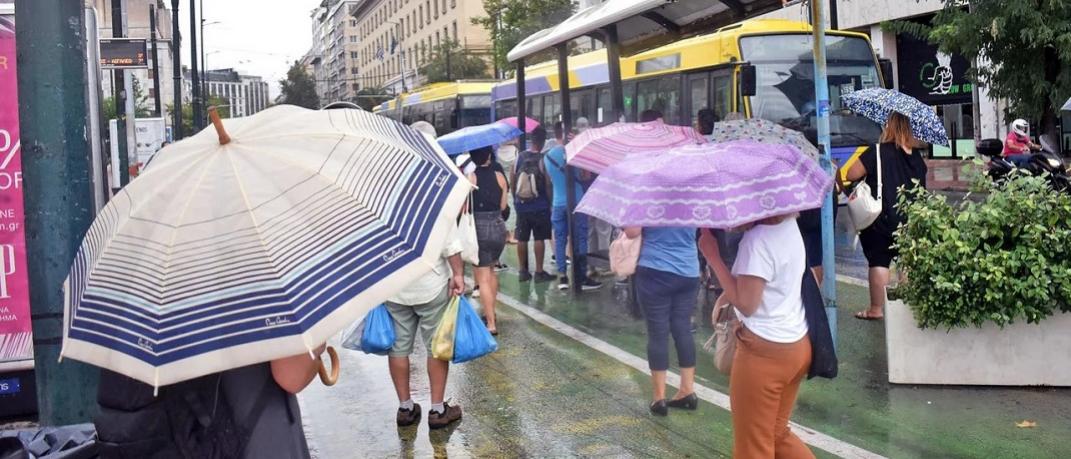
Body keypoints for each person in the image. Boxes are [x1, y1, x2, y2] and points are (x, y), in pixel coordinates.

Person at [698, 215, 815, 459]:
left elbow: (747, 304)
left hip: (764, 353)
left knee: (752, 448)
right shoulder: (788, 225)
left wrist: (713, 257)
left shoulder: (757, 241)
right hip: (797, 343)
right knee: (776, 434)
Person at [95, 348, 327, 458]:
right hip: (249, 429)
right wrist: (315, 345)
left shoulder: (130, 271)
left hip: (165, 435)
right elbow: (291, 375)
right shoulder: (257, 263)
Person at [841, 112, 927, 320]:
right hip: (910, 216)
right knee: (906, 259)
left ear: (889, 126)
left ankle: (876, 309)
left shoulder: (877, 152)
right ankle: (907, 305)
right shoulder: (916, 157)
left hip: (882, 216)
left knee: (879, 260)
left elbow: (851, 174)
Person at [385, 218, 467, 430]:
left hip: (394, 288)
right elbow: (451, 246)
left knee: (398, 349)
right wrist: (458, 274)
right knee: (436, 347)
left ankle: (405, 408)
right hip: (431, 286)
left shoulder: (382, 207)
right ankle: (438, 410)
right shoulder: (432, 203)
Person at [623, 226, 700, 416]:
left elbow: (632, 231)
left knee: (658, 333)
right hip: (689, 270)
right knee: (682, 328)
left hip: (655, 268)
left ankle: (659, 398)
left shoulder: (649, 196)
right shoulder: (694, 197)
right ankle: (687, 390)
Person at [544, 122, 603, 292]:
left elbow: (550, 181)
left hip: (557, 203)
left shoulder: (547, 157)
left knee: (561, 240)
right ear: (569, 134)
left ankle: (563, 277)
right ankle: (581, 276)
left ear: (555, 134)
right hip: (577, 201)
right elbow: (586, 176)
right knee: (580, 239)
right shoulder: (576, 152)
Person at [468, 146, 509, 334]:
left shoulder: (471, 178)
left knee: (483, 277)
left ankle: (491, 322)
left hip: (479, 227)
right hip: (499, 227)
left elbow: (464, 206)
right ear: (489, 156)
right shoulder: (500, 176)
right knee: (492, 270)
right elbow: (503, 205)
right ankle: (492, 310)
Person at [511, 126, 555, 283]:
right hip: (540, 205)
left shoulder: (519, 158)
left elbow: (513, 179)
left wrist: (516, 199)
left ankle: (523, 271)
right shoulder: (544, 159)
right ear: (543, 141)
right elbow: (548, 184)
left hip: (521, 204)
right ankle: (539, 271)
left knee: (521, 238)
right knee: (539, 238)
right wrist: (550, 203)